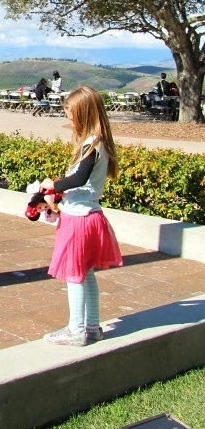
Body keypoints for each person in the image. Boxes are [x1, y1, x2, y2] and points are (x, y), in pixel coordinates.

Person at [40, 86, 123, 346]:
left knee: (74, 276)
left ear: (85, 114)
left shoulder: (91, 146)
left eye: (71, 113)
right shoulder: (99, 144)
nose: (69, 118)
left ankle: (76, 331)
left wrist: (53, 185)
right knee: (86, 274)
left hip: (78, 220)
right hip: (90, 216)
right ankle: (92, 326)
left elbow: (79, 178)